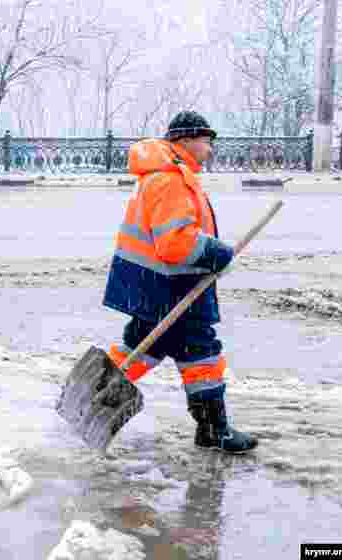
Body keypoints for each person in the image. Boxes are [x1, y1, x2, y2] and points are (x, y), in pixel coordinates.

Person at [102, 110, 258, 454]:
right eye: (206, 141)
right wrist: (219, 253)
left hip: (156, 285)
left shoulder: (163, 174)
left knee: (143, 345)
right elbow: (175, 243)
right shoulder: (170, 179)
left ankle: (96, 396)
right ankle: (213, 430)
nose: (209, 149)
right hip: (173, 287)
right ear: (184, 140)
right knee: (200, 353)